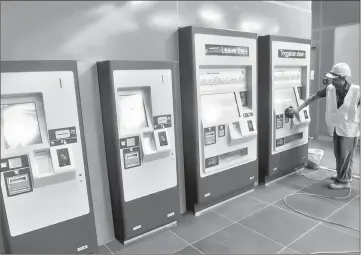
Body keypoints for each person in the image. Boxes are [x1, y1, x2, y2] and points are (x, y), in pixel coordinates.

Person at [287, 63, 360, 189]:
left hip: (350, 128)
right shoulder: (330, 89)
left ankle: (344, 181)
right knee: (339, 154)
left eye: (335, 79)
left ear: (343, 78)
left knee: (345, 156)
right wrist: (298, 109)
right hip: (336, 127)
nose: (332, 81)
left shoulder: (357, 91)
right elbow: (313, 97)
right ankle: (342, 175)